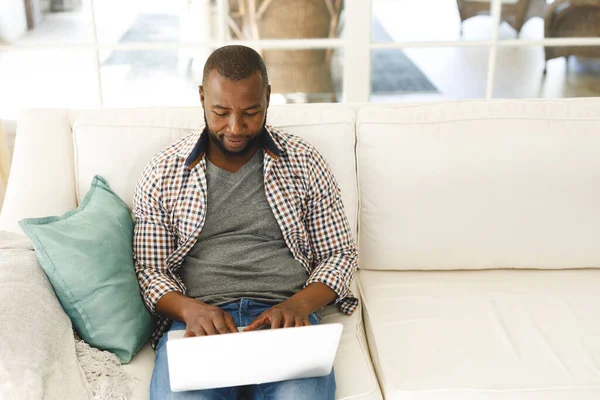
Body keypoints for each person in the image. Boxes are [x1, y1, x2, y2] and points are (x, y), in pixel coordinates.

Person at [133, 45, 358, 400]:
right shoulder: (164, 171)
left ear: (268, 98)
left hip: (285, 318)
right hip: (200, 325)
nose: (235, 128)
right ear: (202, 98)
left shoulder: (304, 162)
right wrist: (190, 310)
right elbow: (150, 270)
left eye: (251, 112)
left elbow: (339, 254)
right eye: (220, 112)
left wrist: (299, 305)